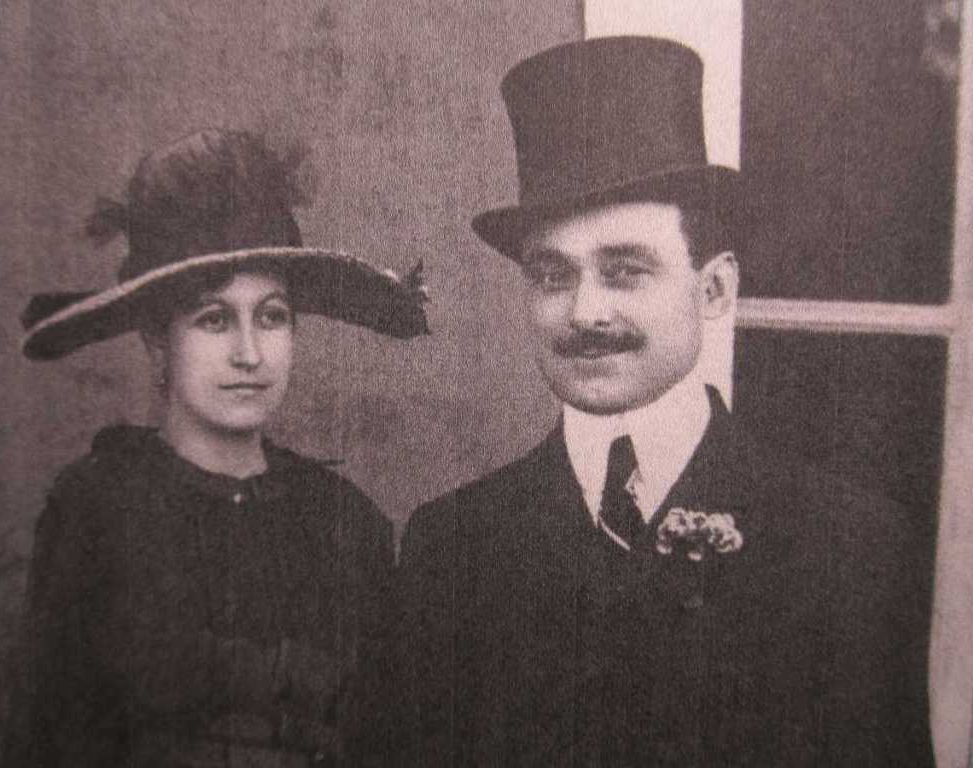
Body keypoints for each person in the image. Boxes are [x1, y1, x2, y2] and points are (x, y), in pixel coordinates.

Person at [396, 37, 934, 766]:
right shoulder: (453, 548)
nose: (585, 312)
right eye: (552, 276)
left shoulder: (849, 549)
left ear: (714, 288)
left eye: (625, 271)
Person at [2, 128, 428, 767]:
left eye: (272, 316)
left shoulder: (347, 522)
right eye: (213, 319)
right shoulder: (97, 509)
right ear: (158, 340)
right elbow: (44, 741)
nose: (249, 354)